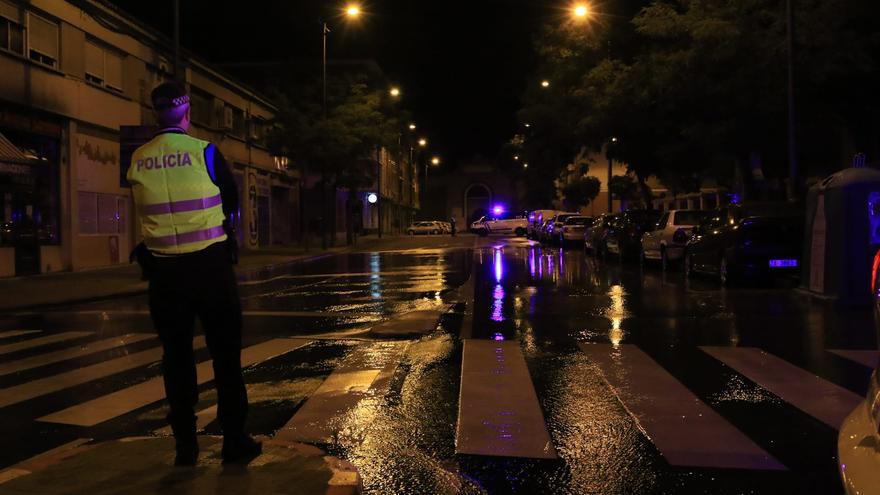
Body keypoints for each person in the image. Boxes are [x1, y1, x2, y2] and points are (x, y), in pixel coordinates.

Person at [127, 81, 261, 467]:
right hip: (210, 268)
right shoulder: (206, 152)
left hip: (164, 273)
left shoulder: (138, 158)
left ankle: (185, 446)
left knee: (177, 358)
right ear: (187, 112)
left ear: (155, 111)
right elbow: (231, 202)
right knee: (225, 358)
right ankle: (234, 440)